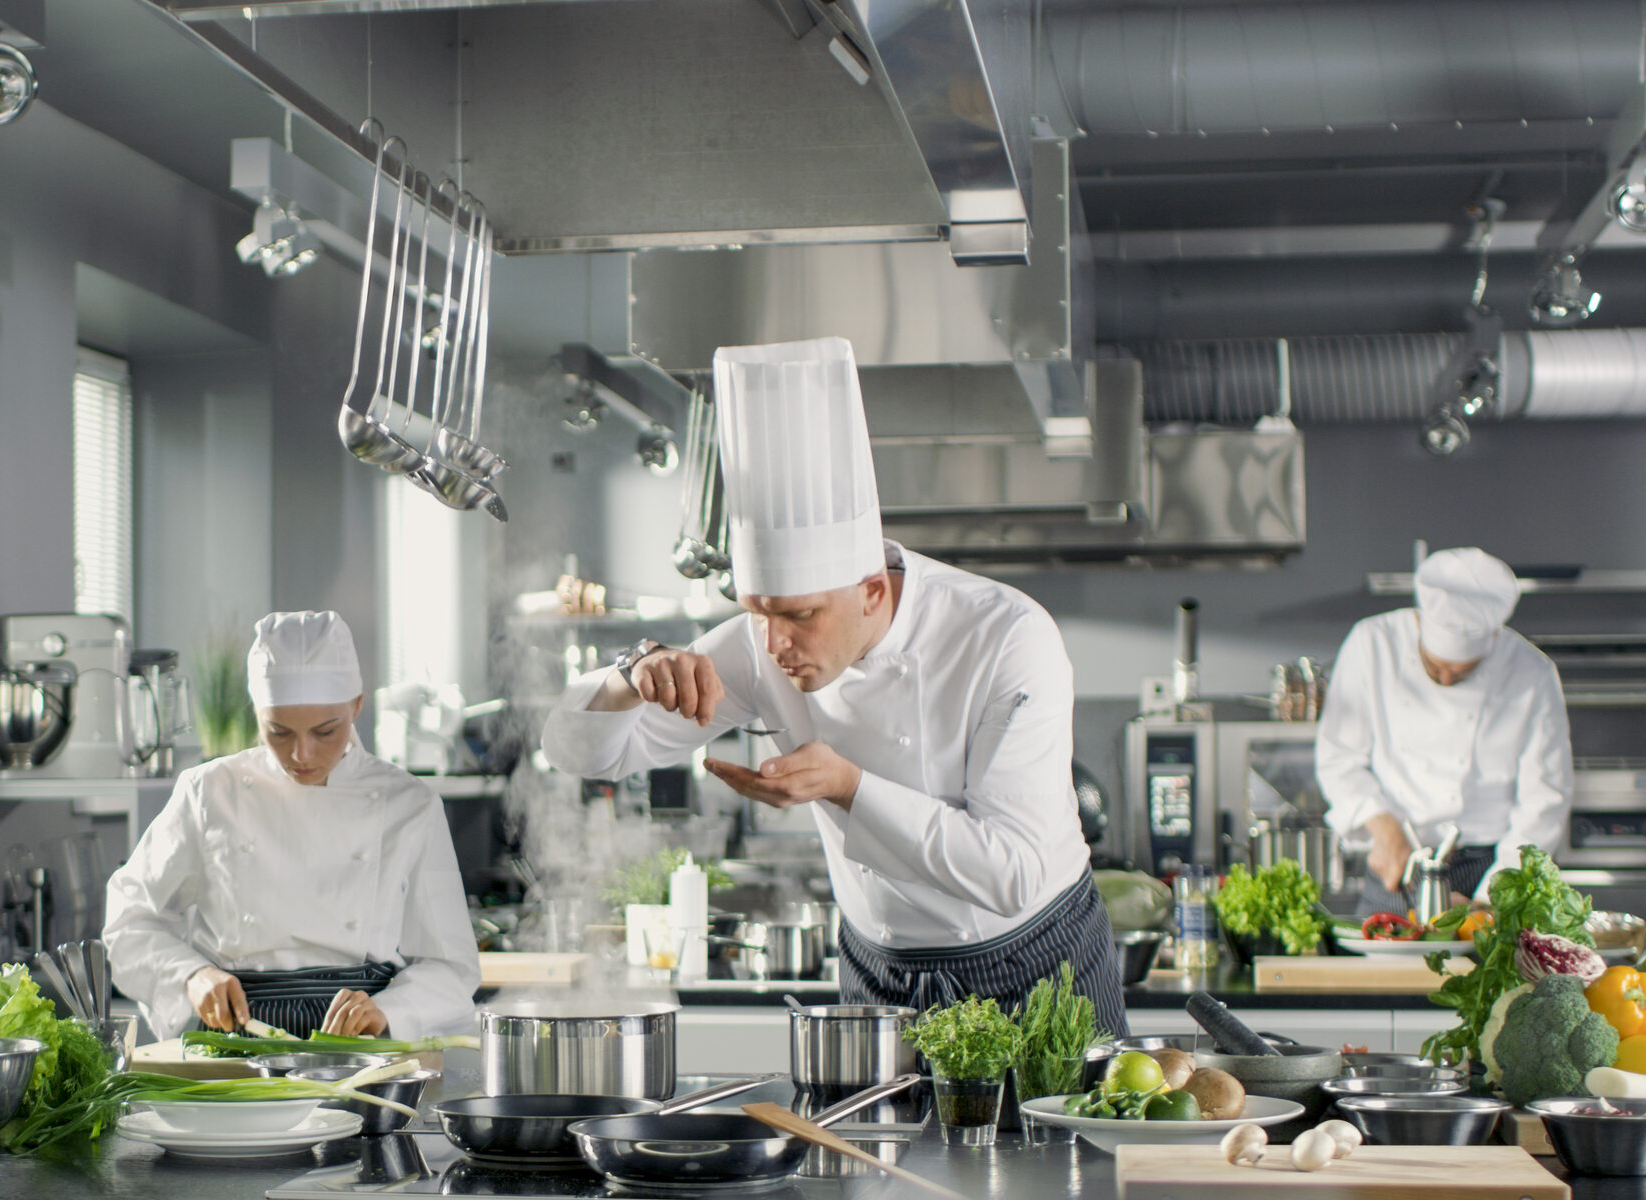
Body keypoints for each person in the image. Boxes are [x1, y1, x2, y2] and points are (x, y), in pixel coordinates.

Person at [541, 337, 1122, 1031]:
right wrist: (630, 675)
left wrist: (846, 785)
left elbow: (1011, 873)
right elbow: (580, 753)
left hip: (1034, 963)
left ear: (872, 589)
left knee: (1068, 1142)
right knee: (867, 1148)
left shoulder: (1007, 638)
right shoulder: (762, 642)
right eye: (757, 611)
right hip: (880, 974)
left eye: (801, 615)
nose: (775, 642)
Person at [104, 611, 480, 1040]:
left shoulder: (410, 804)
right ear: (257, 713)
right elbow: (129, 921)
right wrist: (190, 975)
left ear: (357, 705)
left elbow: (452, 965)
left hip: (358, 1043)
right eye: (279, 732)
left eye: (325, 731)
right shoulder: (209, 791)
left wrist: (388, 1010)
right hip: (236, 1038)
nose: (302, 754)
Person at [1317, 547, 1572, 917]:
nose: (1448, 679)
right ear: (1420, 622)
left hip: (1490, 866)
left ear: (1495, 636)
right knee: (1380, 974)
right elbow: (1337, 758)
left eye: (1464, 671)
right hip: (1398, 861)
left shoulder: (1533, 673)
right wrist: (1381, 825)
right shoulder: (1373, 644)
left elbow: (1544, 800)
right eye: (1435, 668)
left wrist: (1491, 901)